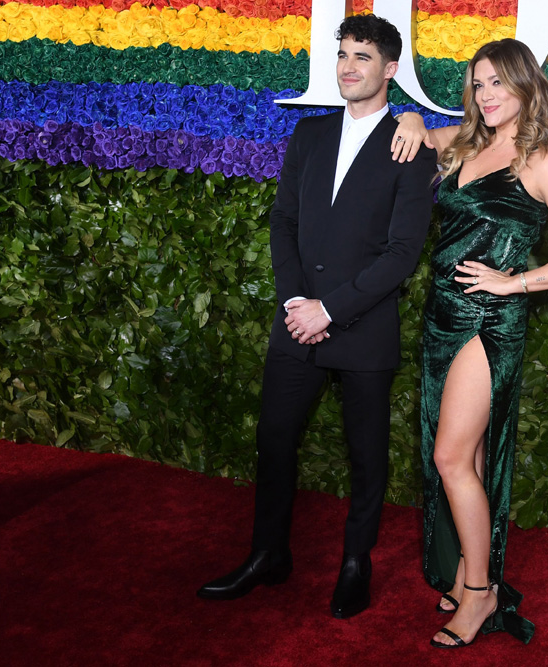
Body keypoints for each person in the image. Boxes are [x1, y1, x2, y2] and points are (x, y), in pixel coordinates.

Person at [196, 14, 437, 621]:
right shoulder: (308, 134)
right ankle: (267, 554)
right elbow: (285, 222)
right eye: (343, 55)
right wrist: (296, 303)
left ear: (390, 70)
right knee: (273, 442)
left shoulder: (409, 144)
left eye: (363, 57)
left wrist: (330, 308)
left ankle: (357, 562)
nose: (349, 67)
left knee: (367, 458)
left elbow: (404, 254)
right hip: (297, 323)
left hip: (363, 328)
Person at [395, 39, 548, 647]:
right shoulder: (468, 141)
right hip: (442, 317)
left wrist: (516, 282)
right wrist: (410, 117)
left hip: (487, 323)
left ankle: (481, 595)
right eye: (477, 84)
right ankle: (466, 573)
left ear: (526, 88)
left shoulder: (542, 161)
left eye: (497, 84)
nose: (485, 96)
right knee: (471, 461)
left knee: (450, 459)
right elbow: (417, 132)